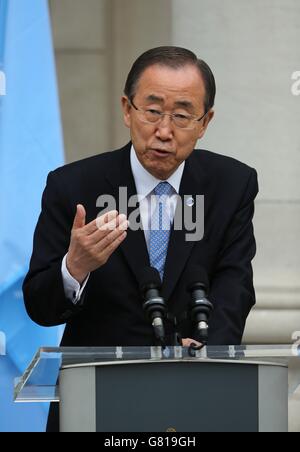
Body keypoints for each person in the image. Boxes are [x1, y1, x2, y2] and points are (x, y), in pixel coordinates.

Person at [23, 46, 258, 431]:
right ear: (127, 109)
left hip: (194, 396)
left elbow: (235, 282)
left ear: (205, 122)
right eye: (152, 111)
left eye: (182, 115)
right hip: (96, 399)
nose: (164, 131)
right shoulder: (73, 186)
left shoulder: (231, 185)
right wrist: (75, 267)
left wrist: (208, 349)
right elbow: (39, 304)